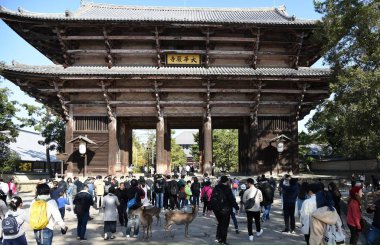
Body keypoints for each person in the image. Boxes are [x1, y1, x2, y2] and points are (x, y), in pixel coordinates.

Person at [210, 176, 239, 245]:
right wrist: (237, 207)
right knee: (224, 225)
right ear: (226, 181)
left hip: (216, 209)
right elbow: (231, 199)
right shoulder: (227, 188)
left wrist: (210, 208)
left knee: (220, 223)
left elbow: (212, 197)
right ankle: (223, 240)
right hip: (225, 209)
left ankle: (219, 238)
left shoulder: (216, 187)